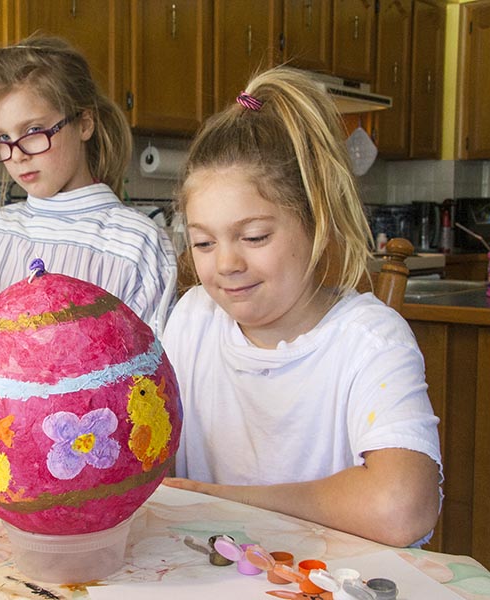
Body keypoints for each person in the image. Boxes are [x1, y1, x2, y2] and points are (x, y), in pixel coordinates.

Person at [161, 66, 442, 548]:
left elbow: (403, 507)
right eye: (204, 242)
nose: (226, 264)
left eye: (254, 237)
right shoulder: (193, 319)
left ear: (318, 222)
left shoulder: (368, 339)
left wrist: (224, 501)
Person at [0, 35, 177, 425]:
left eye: (34, 130)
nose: (18, 154)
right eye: (3, 138)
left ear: (84, 123)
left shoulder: (135, 243)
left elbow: (150, 392)